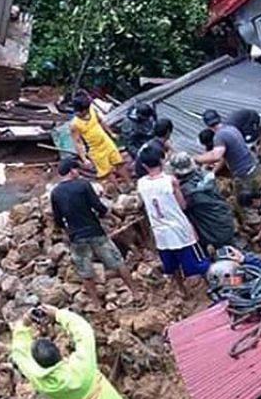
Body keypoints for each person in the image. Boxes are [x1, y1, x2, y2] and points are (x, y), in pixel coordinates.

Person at [10, 305, 138, 399]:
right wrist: (57, 314)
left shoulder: (39, 379)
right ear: (59, 352)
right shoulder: (82, 367)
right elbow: (83, 332)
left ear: (37, 362)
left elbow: (19, 353)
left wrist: (24, 324)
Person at [51, 159, 136, 305]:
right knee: (117, 262)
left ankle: (96, 304)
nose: (78, 173)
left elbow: (58, 220)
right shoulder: (83, 185)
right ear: (72, 171)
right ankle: (135, 292)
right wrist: (113, 218)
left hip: (76, 237)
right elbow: (98, 207)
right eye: (76, 170)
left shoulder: (55, 193)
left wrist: (68, 232)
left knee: (85, 271)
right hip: (95, 232)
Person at [136, 145, 209, 294]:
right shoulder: (170, 181)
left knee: (171, 265)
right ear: (162, 160)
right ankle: (211, 287)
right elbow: (182, 205)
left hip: (160, 232)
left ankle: (183, 291)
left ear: (144, 165)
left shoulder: (141, 184)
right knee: (199, 262)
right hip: (179, 229)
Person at [168, 152, 236, 249]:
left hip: (215, 232)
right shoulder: (204, 176)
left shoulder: (186, 191)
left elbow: (182, 207)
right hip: (225, 220)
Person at [195, 109, 261, 200]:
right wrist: (212, 172)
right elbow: (223, 157)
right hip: (256, 168)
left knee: (244, 202)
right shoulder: (232, 128)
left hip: (246, 175)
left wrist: (197, 159)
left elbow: (216, 156)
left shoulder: (219, 136)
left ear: (207, 125)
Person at [70, 95, 130, 183]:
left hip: (106, 142)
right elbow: (77, 142)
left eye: (87, 109)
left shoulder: (92, 111)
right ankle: (118, 190)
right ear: (78, 111)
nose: (87, 112)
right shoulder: (75, 124)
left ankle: (129, 183)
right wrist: (84, 159)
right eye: (84, 110)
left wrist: (111, 133)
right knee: (106, 172)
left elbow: (101, 121)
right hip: (95, 149)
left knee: (119, 163)